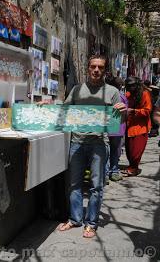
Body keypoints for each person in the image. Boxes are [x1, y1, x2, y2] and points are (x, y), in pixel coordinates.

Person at [56, 55, 126, 238]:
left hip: (99, 145)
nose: (96, 70)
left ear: (105, 70)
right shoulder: (77, 90)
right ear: (88, 69)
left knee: (97, 186)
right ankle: (75, 219)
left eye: (100, 67)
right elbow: (64, 111)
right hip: (77, 143)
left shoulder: (112, 92)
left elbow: (119, 122)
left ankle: (92, 223)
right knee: (74, 184)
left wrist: (122, 112)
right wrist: (47, 106)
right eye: (93, 66)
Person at [122, 77, 152, 176]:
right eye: (128, 86)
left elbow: (147, 110)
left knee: (136, 151)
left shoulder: (145, 93)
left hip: (141, 128)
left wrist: (134, 111)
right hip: (129, 126)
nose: (130, 88)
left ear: (137, 85)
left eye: (132, 85)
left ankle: (134, 168)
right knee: (129, 150)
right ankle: (132, 167)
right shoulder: (128, 94)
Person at [105, 77, 127, 182]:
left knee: (106, 152)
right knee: (115, 152)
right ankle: (113, 171)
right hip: (118, 129)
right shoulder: (122, 97)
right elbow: (125, 114)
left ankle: (105, 174)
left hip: (109, 128)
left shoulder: (107, 95)